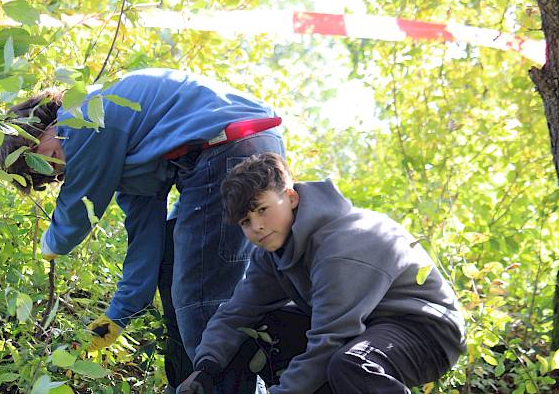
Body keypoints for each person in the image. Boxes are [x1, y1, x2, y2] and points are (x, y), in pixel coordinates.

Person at [0, 68, 285, 391]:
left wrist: (49, 244)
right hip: (241, 148)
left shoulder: (82, 116)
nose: (63, 165)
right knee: (173, 264)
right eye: (55, 174)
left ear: (45, 125)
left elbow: (73, 218)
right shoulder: (133, 157)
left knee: (200, 300)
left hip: (227, 148)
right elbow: (145, 241)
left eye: (51, 156)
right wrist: (118, 317)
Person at [177, 153, 466, 394]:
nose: (257, 227)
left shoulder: (343, 243)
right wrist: (206, 369)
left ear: (290, 197)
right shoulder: (272, 254)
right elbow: (236, 314)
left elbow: (331, 339)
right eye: (245, 221)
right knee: (261, 329)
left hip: (425, 330)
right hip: (363, 328)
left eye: (263, 210)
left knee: (350, 364)